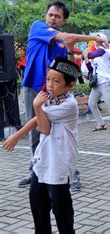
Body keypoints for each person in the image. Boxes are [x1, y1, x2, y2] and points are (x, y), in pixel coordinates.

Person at [19, 1, 104, 189]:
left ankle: (72, 174)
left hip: (53, 90)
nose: (52, 18)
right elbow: (67, 36)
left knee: (60, 133)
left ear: (63, 20)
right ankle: (34, 172)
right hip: (33, 87)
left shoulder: (61, 45)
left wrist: (70, 49)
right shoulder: (38, 27)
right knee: (36, 132)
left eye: (57, 17)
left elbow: (70, 69)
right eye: (50, 14)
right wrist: (94, 38)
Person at [3, 57, 81, 233]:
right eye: (48, 79)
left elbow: (44, 128)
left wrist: (36, 107)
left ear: (69, 86)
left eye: (56, 81)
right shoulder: (50, 99)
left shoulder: (69, 104)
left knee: (63, 216)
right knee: (39, 211)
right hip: (43, 163)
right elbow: (38, 120)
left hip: (59, 166)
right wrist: (16, 135)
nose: (50, 84)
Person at [83, 33, 110, 134]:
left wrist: (84, 54)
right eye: (95, 38)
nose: (95, 40)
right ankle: (100, 123)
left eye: (98, 38)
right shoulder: (96, 52)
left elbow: (90, 55)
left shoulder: (102, 50)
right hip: (97, 82)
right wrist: (85, 57)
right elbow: (90, 68)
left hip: (105, 81)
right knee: (91, 103)